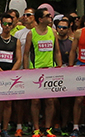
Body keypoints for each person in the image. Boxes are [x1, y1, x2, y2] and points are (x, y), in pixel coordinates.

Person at [24, 9, 61, 137]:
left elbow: (57, 51)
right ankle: (36, 129)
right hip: (36, 71)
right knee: (35, 101)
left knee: (50, 101)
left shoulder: (53, 32)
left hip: (50, 70)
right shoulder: (31, 33)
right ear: (40, 19)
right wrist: (27, 71)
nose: (50, 17)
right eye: (47, 16)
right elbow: (26, 53)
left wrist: (59, 68)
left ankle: (47, 128)